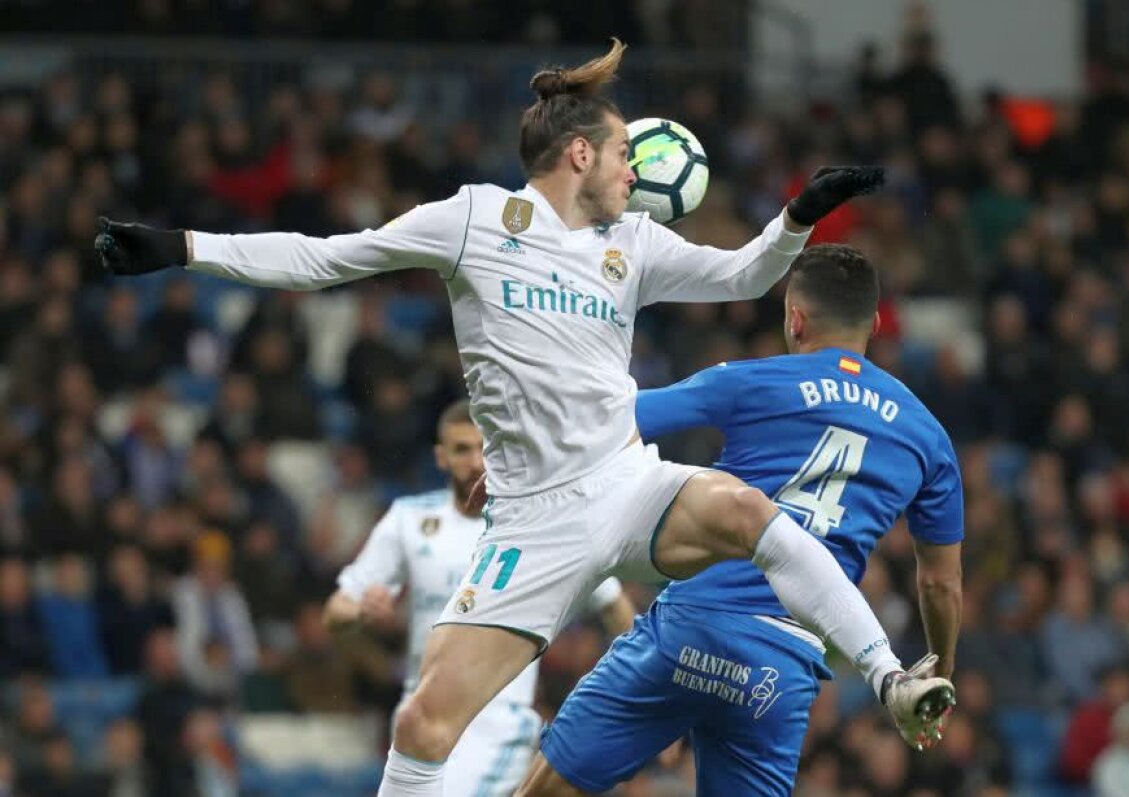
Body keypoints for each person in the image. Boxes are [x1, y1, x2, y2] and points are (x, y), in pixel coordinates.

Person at [95, 40, 952, 797]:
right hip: (536, 521)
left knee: (747, 511)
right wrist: (183, 248)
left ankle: (889, 676)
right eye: (624, 153)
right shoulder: (470, 220)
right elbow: (325, 259)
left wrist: (798, 217)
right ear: (579, 153)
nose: (635, 173)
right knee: (425, 725)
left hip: (625, 480)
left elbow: (741, 276)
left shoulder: (634, 244)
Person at [516, 243, 964, 796]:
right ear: (873, 323)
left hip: (691, 627)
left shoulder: (751, 382)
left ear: (795, 319)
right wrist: (939, 673)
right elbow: (940, 583)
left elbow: (611, 421)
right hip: (780, 667)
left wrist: (527, 455)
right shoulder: (928, 437)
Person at [324, 399, 634, 795]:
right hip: (417, 711)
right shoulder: (409, 519)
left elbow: (614, 605)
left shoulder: (542, 524)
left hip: (497, 719)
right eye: (461, 449)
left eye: (483, 448)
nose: (474, 461)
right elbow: (336, 609)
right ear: (440, 457)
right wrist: (360, 609)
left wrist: (634, 693)